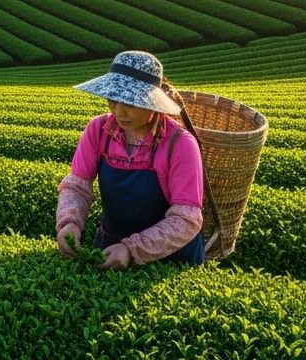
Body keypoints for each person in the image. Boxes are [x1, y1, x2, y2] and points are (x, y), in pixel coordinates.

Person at [55, 50, 206, 269]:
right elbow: (77, 186)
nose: (119, 111)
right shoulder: (98, 130)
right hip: (110, 246)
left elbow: (186, 219)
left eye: (131, 103)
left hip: (171, 259)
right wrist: (70, 223)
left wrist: (132, 249)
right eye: (113, 100)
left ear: (152, 103)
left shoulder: (180, 145)